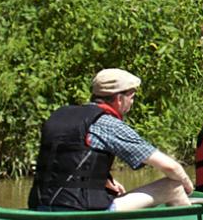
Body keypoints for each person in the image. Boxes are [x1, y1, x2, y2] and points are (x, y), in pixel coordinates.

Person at [27, 68, 193, 211]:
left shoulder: (59, 115)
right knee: (173, 186)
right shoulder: (107, 123)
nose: (132, 102)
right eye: (132, 96)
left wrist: (104, 180)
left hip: (40, 205)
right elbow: (170, 167)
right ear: (119, 99)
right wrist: (188, 186)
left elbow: (66, 160)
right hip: (80, 210)